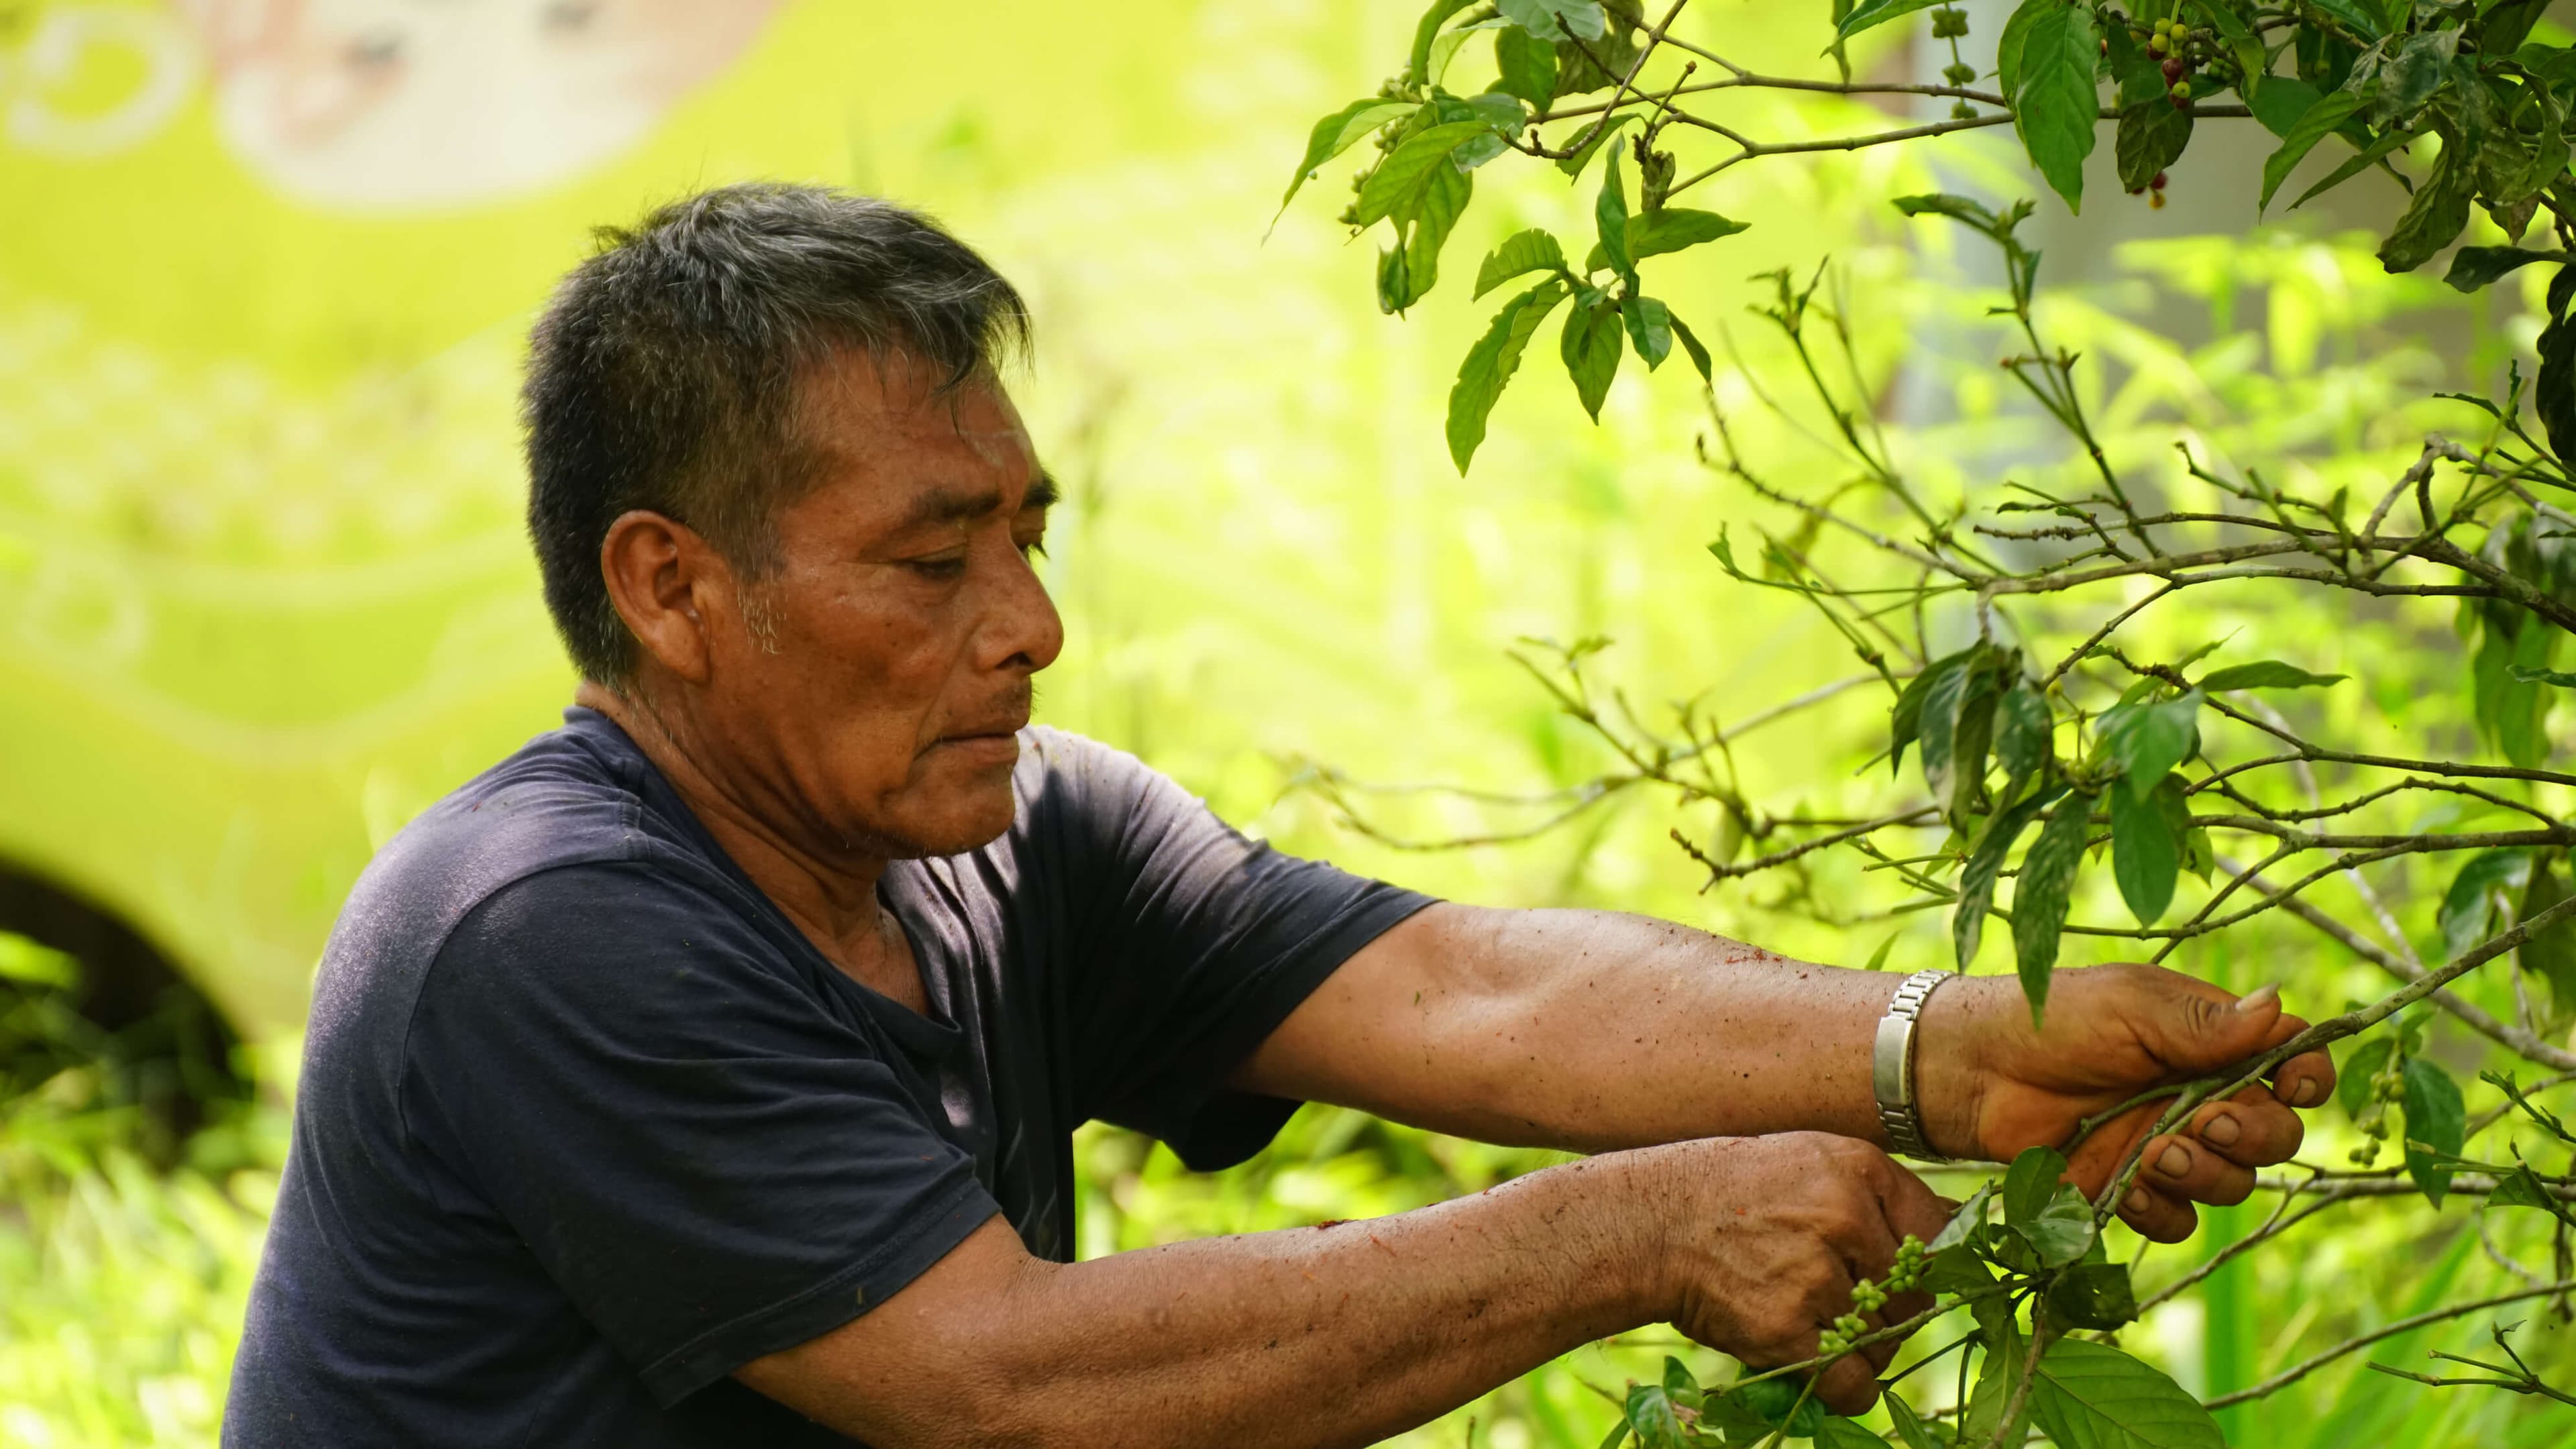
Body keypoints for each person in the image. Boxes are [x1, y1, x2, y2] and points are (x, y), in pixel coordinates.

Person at [223, 184, 2335, 1448]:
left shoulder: (1002, 836)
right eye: (931, 558)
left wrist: (1944, 1056)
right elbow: (1011, 1396)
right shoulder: (548, 929)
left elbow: (1460, 986)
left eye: (1029, 538)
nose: (1031, 628)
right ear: (671, 587)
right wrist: (1643, 1229)